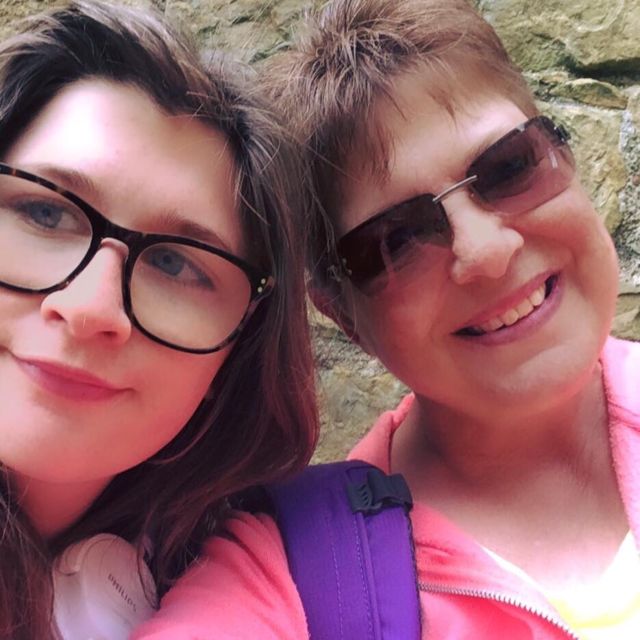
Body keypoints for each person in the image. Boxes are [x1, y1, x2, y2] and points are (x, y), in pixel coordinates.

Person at [132, 0, 640, 638]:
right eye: (395, 239)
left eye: (510, 166)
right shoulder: (302, 572)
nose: (486, 252)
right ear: (343, 316)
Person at [0, 1, 319, 638]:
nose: (90, 309)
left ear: (240, 345)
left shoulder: (241, 585)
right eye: (44, 213)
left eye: (175, 264)